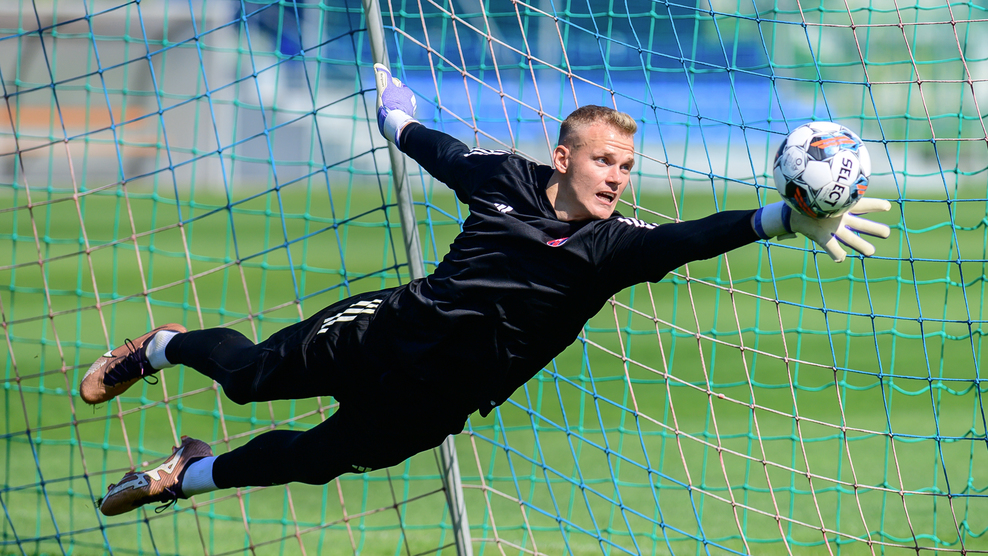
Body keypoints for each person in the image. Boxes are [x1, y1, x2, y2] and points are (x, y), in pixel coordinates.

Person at [83, 64, 892, 516]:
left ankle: (185, 474)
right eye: (604, 161)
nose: (618, 176)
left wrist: (780, 221)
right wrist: (395, 118)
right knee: (249, 378)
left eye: (626, 166)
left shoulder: (614, 248)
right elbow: (437, 150)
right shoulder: (505, 179)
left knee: (316, 461)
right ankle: (161, 347)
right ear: (565, 158)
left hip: (437, 399)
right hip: (385, 330)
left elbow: (692, 238)